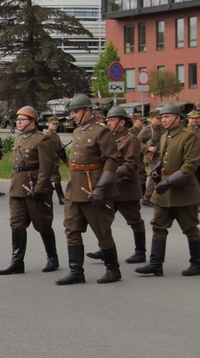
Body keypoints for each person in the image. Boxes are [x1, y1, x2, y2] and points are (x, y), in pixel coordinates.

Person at [56, 93, 121, 285]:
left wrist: (101, 188)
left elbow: (111, 160)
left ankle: (113, 269)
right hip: (74, 187)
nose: (73, 115)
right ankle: (76, 271)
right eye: (72, 112)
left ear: (87, 110)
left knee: (102, 230)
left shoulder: (102, 131)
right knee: (71, 229)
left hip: (93, 188)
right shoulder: (78, 131)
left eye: (76, 111)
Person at [135, 103, 200, 277]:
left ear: (177, 118)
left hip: (183, 189)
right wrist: (158, 168)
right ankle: (155, 263)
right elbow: (164, 158)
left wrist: (170, 182)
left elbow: (190, 165)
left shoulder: (188, 136)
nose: (163, 120)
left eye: (167, 117)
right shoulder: (166, 136)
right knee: (158, 225)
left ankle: (196, 264)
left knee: (190, 227)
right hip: (165, 189)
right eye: (162, 117)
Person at [0, 106, 58, 275]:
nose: (18, 122)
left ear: (32, 122)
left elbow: (47, 168)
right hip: (18, 186)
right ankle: (17, 262)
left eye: (22, 119)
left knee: (42, 223)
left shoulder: (42, 139)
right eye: (17, 119)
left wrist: (40, 188)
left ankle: (52, 258)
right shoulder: (18, 139)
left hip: (34, 187)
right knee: (16, 224)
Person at [86, 107, 146, 264]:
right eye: (109, 120)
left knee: (134, 220)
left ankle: (140, 251)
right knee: (104, 220)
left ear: (122, 122)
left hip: (126, 188)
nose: (109, 123)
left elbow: (131, 165)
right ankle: (104, 249)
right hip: (110, 188)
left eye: (112, 120)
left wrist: (110, 173)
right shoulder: (110, 138)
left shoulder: (131, 140)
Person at [138, 111, 164, 207]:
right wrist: (147, 148)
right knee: (154, 176)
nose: (160, 120)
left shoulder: (162, 129)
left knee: (158, 176)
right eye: (158, 118)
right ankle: (147, 198)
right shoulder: (147, 130)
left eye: (160, 118)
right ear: (152, 119)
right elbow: (137, 142)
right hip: (151, 157)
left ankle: (154, 196)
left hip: (160, 155)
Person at [44, 116, 66, 205]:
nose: (55, 125)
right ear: (49, 124)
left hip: (55, 161)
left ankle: (45, 195)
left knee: (49, 180)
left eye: (57, 124)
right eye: (53, 124)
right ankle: (61, 197)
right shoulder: (47, 135)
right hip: (50, 162)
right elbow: (44, 149)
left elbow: (60, 148)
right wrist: (52, 154)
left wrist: (65, 160)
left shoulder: (55, 135)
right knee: (56, 178)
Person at [129, 112, 147, 194]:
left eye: (143, 120)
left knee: (142, 174)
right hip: (137, 155)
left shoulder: (143, 131)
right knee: (140, 174)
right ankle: (141, 194)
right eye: (140, 120)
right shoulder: (131, 132)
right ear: (134, 121)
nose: (142, 122)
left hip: (144, 155)